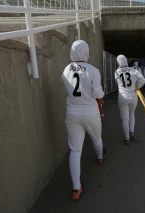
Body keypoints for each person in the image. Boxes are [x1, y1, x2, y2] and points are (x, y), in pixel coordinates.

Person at [61, 40, 106, 200]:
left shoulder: (65, 70)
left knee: (75, 149)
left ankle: (76, 188)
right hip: (90, 111)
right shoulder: (93, 70)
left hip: (72, 112)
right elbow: (99, 95)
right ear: (86, 52)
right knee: (96, 138)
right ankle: (100, 157)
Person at [115, 55, 145, 145]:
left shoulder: (116, 72)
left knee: (125, 119)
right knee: (132, 114)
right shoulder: (134, 70)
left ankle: (127, 139)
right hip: (133, 96)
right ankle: (131, 131)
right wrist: (136, 87)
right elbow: (143, 80)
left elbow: (118, 83)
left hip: (122, 97)